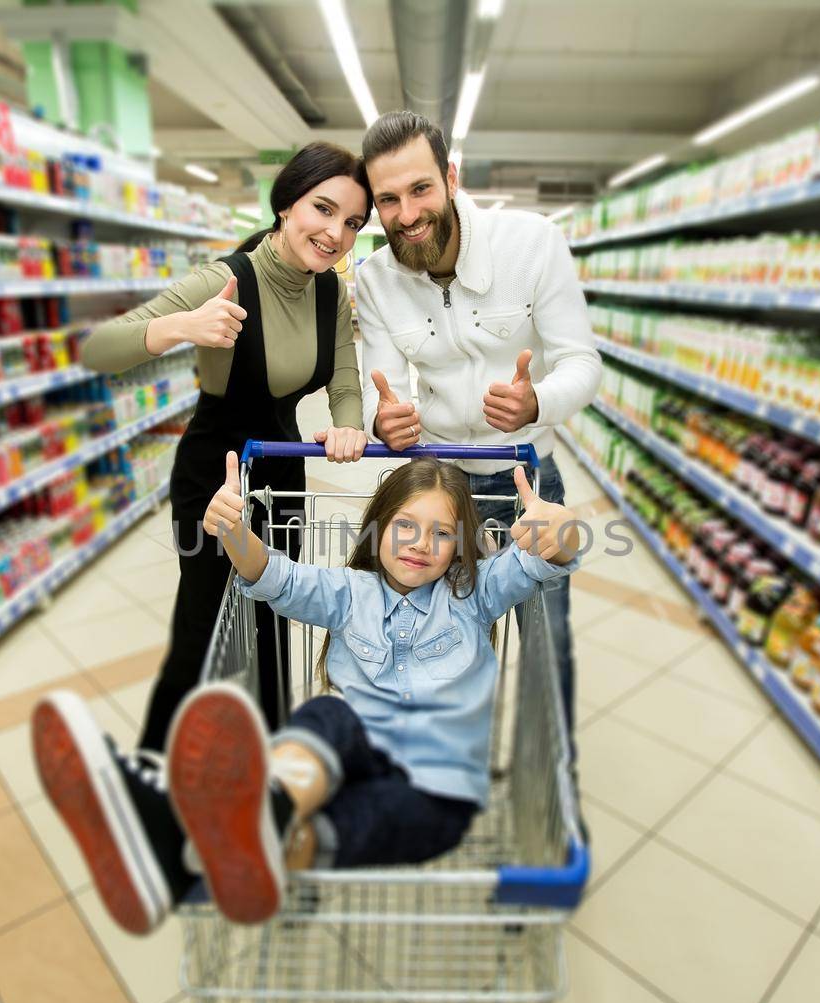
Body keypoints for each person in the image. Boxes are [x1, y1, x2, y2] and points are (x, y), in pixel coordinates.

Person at [31, 452, 581, 932]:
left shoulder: (475, 594)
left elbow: (546, 561)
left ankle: (179, 843)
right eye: (405, 526)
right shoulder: (350, 593)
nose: (421, 545)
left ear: (460, 546)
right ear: (377, 528)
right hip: (347, 757)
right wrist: (234, 533)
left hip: (435, 791)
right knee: (328, 714)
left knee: (364, 821)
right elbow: (277, 577)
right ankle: (256, 812)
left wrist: (560, 530)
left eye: (442, 534)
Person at [76, 142, 372, 755]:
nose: (335, 233)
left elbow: (345, 385)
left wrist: (349, 426)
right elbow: (99, 348)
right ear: (287, 203)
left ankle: (261, 755)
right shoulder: (226, 279)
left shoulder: (330, 294)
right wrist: (180, 328)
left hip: (284, 470)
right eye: (323, 209)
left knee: (271, 615)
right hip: (216, 474)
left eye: (352, 223)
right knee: (204, 626)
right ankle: (154, 768)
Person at [355, 110, 599, 718]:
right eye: (388, 199)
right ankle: (443, 753)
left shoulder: (531, 244)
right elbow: (378, 386)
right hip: (439, 482)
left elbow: (581, 362)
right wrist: (381, 423)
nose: (407, 215)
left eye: (420, 189)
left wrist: (537, 399)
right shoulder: (376, 279)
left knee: (546, 637)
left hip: (525, 473)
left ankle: (551, 767)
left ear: (451, 177)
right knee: (431, 637)